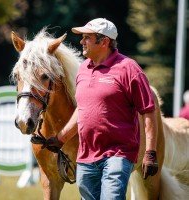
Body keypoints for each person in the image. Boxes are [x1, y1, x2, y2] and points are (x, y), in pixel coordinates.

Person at [47, 18, 158, 200]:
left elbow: (148, 111)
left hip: (118, 155)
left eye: (87, 37)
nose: (82, 42)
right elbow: (83, 109)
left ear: (104, 41)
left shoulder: (129, 69)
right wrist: (61, 138)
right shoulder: (82, 70)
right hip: (86, 157)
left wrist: (150, 153)